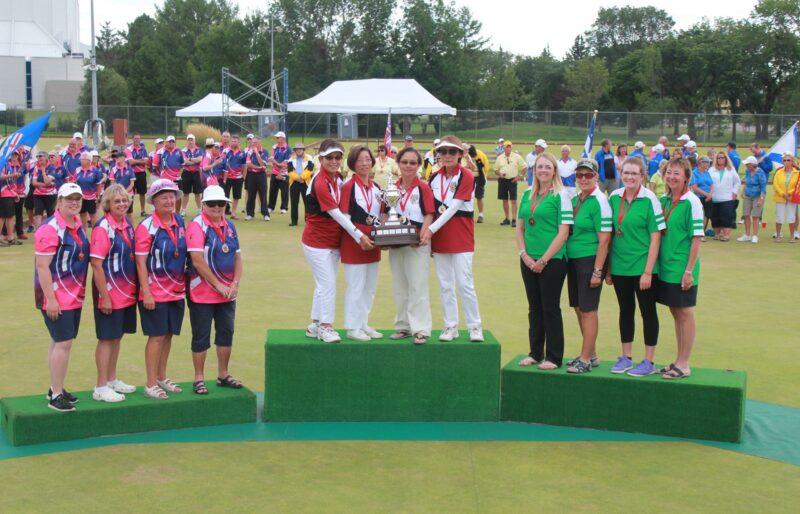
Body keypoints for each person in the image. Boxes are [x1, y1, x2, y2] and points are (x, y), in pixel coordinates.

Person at [302, 139, 373, 343]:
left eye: (337, 157)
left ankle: (315, 324)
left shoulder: (337, 178)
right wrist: (359, 235)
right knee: (328, 284)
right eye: (329, 157)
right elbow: (337, 214)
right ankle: (326, 326)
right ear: (321, 159)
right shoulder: (321, 181)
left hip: (332, 242)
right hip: (317, 242)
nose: (334, 161)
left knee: (323, 284)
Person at [420, 135, 483, 342]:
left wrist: (430, 230)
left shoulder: (466, 175)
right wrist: (429, 235)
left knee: (465, 283)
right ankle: (450, 326)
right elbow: (430, 210)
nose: (447, 156)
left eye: (452, 152)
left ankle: (475, 326)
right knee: (445, 285)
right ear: (438, 154)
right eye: (443, 152)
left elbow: (454, 207)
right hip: (440, 240)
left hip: (461, 237)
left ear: (460, 154)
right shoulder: (434, 178)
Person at [607, 157, 665, 376]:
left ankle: (649, 361)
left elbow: (656, 237)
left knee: (647, 312)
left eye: (634, 173)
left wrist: (648, 271)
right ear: (621, 174)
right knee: (625, 311)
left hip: (643, 268)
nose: (629, 177)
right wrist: (610, 269)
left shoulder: (650, 200)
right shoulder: (613, 197)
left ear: (642, 176)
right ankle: (626, 357)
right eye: (626, 173)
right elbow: (611, 236)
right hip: (620, 266)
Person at [515, 152, 573, 369]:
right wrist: (524, 255)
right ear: (534, 170)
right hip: (528, 259)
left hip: (553, 260)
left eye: (548, 167)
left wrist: (543, 260)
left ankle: (554, 357)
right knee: (534, 307)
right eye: (539, 167)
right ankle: (535, 352)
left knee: (550, 307)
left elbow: (563, 233)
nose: (543, 171)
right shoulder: (527, 194)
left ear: (554, 171)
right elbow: (520, 227)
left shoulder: (562, 195)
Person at [35, 183, 90, 411]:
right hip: (56, 297)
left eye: (77, 199)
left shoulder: (77, 223)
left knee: (59, 341)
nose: (75, 203)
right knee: (64, 343)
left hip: (73, 294)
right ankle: (56, 395)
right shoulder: (50, 228)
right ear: (59, 201)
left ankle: (54, 387)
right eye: (69, 199)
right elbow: (42, 267)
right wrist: (52, 300)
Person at [186, 185, 243, 394]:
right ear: (203, 204)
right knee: (201, 335)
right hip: (202, 292)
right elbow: (197, 261)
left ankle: (223, 374)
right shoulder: (196, 225)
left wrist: (234, 283)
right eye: (212, 204)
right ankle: (199, 378)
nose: (217, 207)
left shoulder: (229, 226)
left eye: (221, 204)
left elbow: (237, 257)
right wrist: (218, 285)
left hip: (227, 293)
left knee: (226, 333)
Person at [135, 179, 188, 400]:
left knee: (168, 335)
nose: (168, 200)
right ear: (153, 201)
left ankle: (161, 376)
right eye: (163, 197)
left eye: (171, 196)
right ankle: (149, 383)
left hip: (177, 289)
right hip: (154, 292)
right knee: (156, 336)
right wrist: (146, 292)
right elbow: (140, 262)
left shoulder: (178, 221)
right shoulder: (146, 226)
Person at [90, 184, 138, 402]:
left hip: (126, 290)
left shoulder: (126, 223)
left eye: (124, 200)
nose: (121, 204)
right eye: (116, 201)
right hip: (109, 291)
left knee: (117, 336)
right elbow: (96, 265)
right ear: (107, 204)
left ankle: (111, 379)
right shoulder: (103, 228)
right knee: (107, 338)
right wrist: (105, 296)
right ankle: (100, 386)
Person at [563, 159, 612, 374]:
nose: (583, 179)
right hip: (573, 259)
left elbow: (604, 240)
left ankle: (585, 358)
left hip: (590, 259)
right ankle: (591, 354)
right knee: (578, 307)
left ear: (596, 177)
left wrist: (598, 270)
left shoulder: (600, 200)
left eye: (588, 175)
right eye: (580, 175)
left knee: (589, 310)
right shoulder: (577, 199)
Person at [658, 157, 703, 379]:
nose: (672, 177)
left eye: (677, 173)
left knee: (685, 313)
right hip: (666, 266)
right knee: (675, 311)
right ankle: (678, 359)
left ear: (686, 177)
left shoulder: (692, 202)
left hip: (682, 267)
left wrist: (688, 271)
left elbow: (696, 239)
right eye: (669, 172)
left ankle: (684, 363)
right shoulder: (664, 200)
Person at [389, 147, 435, 345]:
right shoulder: (393, 187)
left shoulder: (423, 187)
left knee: (417, 285)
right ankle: (403, 326)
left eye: (413, 163)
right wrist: (384, 235)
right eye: (405, 162)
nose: (408, 166)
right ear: (399, 164)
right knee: (400, 286)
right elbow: (385, 212)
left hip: (417, 242)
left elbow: (429, 214)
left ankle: (421, 328)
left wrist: (424, 235)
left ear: (418, 166)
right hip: (396, 242)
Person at [339, 145, 384, 341]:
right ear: (353, 164)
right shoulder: (349, 186)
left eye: (367, 159)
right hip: (354, 242)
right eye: (360, 160)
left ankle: (363, 322)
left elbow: (377, 217)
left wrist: (384, 233)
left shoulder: (377, 188)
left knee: (370, 286)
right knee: (356, 286)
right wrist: (360, 237)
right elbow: (344, 217)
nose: (365, 163)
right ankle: (352, 326)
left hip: (373, 242)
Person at [709, 151, 741, 241]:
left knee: (726, 216)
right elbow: (708, 182)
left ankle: (726, 235)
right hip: (714, 197)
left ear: (726, 159)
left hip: (727, 198)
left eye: (723, 157)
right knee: (715, 217)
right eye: (719, 157)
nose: (721, 159)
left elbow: (737, 182)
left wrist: (734, 192)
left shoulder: (731, 169)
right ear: (716, 159)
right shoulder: (711, 170)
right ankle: (717, 234)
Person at [494, 141, 526, 227]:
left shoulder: (517, 157)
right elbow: (496, 170)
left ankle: (514, 219)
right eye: (506, 147)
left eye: (509, 147)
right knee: (504, 200)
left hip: (513, 180)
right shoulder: (500, 157)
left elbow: (524, 167)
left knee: (513, 200)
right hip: (502, 180)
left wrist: (519, 176)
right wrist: (500, 174)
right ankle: (507, 218)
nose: (508, 148)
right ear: (503, 148)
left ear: (511, 147)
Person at [738, 156, 767, 243]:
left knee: (755, 216)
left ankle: (755, 235)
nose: (746, 166)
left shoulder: (760, 172)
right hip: (747, 195)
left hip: (757, 196)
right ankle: (747, 235)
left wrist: (761, 199)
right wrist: (742, 191)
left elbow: (763, 187)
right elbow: (747, 182)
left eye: (747, 164)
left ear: (752, 165)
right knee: (746, 215)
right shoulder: (747, 171)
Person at [75, 152, 106, 231]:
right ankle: (83, 234)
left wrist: (98, 197)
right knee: (82, 215)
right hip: (81, 197)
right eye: (81, 159)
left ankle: (95, 233)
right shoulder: (77, 170)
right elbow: (75, 182)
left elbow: (98, 185)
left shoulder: (95, 171)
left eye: (83, 159)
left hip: (92, 197)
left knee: (93, 216)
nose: (81, 161)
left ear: (88, 160)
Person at [772, 153, 800, 242]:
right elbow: (775, 184)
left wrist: (789, 193)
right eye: (784, 160)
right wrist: (782, 193)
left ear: (792, 161)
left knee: (791, 217)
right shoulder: (778, 172)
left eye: (788, 160)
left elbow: (797, 185)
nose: (786, 162)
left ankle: (792, 236)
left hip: (791, 198)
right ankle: (778, 235)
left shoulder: (797, 173)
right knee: (779, 217)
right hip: (780, 197)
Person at [0, 151, 25, 246]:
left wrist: (13, 192)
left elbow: (9, 181)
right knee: (2, 217)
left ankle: (10, 237)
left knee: (10, 216)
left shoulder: (6, 163)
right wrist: (12, 175)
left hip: (8, 192)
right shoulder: (1, 162)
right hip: (3, 193)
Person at [287, 142, 314, 226]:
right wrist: (297, 178)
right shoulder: (291, 159)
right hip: (294, 183)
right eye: (297, 149)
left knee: (307, 203)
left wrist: (302, 177)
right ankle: (294, 221)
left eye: (300, 149)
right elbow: (290, 171)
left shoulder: (309, 157)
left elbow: (310, 170)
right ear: (295, 150)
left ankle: (308, 221)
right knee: (294, 202)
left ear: (303, 150)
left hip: (305, 182)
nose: (299, 150)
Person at [29, 150, 57, 229]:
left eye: (41, 156)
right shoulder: (36, 168)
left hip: (50, 195)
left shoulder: (52, 168)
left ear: (46, 158)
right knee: (38, 214)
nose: (39, 158)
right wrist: (46, 185)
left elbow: (47, 181)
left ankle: (51, 231)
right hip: (38, 194)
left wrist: (44, 171)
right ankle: (39, 233)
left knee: (50, 214)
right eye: (38, 157)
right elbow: (34, 183)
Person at [244, 136, 269, 221]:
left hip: (261, 175)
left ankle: (265, 214)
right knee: (251, 194)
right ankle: (250, 214)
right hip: (251, 175)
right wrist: (258, 167)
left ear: (259, 143)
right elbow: (248, 164)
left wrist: (257, 154)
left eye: (255, 143)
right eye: (252, 142)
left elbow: (263, 164)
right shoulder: (249, 152)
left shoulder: (264, 151)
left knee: (263, 194)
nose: (253, 144)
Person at [159, 136, 185, 210]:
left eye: (172, 141)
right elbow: (155, 165)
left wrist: (180, 172)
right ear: (166, 142)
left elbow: (182, 165)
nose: (171, 143)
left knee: (178, 195)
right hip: (165, 179)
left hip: (176, 178)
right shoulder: (161, 151)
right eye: (169, 141)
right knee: (164, 195)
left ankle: (177, 213)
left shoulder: (179, 151)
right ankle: (166, 211)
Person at [690, 156, 714, 237]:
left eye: (708, 162)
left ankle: (702, 233)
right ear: (701, 163)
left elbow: (712, 184)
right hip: (698, 197)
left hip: (708, 197)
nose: (708, 163)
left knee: (707, 215)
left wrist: (710, 194)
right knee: (700, 215)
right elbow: (695, 187)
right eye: (706, 162)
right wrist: (706, 194)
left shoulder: (707, 172)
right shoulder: (694, 173)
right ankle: (698, 233)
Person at [125, 134, 149, 216]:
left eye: (138, 139)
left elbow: (146, 161)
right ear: (132, 139)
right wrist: (140, 160)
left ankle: (142, 210)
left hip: (141, 173)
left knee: (142, 193)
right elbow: (130, 162)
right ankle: (129, 211)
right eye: (135, 138)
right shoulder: (128, 149)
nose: (137, 140)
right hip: (131, 174)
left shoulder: (143, 149)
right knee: (131, 193)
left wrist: (135, 161)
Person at [268, 131, 291, 215]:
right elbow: (272, 159)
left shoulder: (288, 148)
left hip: (284, 173)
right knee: (272, 190)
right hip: (274, 172)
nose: (277, 139)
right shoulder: (274, 147)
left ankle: (284, 208)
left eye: (278, 137)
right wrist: (278, 164)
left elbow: (285, 163)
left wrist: (280, 173)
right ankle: (270, 207)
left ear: (283, 138)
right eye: (276, 137)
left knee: (284, 191)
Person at [180, 134, 204, 215]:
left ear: (194, 141)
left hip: (196, 173)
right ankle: (183, 210)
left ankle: (199, 210)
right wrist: (194, 160)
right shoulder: (183, 150)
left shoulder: (199, 149)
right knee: (185, 193)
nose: (190, 141)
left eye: (192, 140)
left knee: (197, 193)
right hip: (186, 173)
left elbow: (200, 160)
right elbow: (185, 161)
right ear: (187, 141)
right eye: (189, 140)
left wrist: (189, 159)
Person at [224, 135, 246, 219]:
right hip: (227, 178)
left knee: (236, 196)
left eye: (235, 141)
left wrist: (243, 176)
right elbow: (222, 162)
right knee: (225, 196)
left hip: (238, 178)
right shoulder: (226, 151)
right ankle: (222, 214)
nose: (233, 142)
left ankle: (233, 213)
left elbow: (244, 166)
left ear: (238, 142)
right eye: (232, 141)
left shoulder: (242, 153)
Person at [469, 145, 489, 223]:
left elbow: (486, 167)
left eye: (474, 155)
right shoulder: (466, 156)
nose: (473, 156)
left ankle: (481, 215)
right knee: (468, 197)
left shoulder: (481, 155)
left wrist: (485, 177)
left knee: (479, 196)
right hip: (469, 178)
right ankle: (469, 214)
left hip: (479, 177)